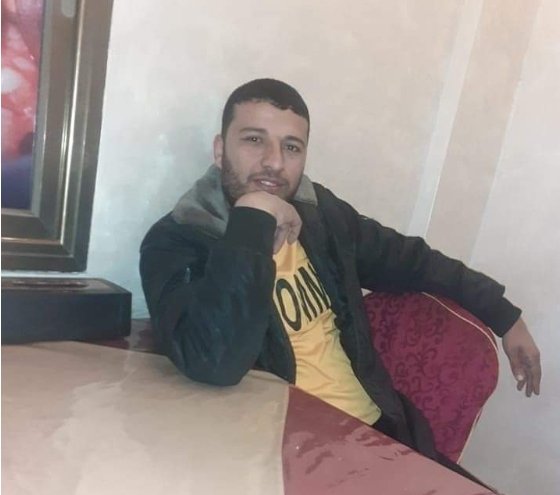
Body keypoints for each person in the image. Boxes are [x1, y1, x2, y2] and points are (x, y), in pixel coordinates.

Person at [140, 78, 541, 482]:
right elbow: (214, 361)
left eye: (291, 147)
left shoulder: (321, 215)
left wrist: (504, 316)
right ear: (219, 149)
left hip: (381, 434)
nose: (274, 162)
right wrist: (253, 214)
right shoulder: (178, 241)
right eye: (254, 140)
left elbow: (413, 260)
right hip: (285, 455)